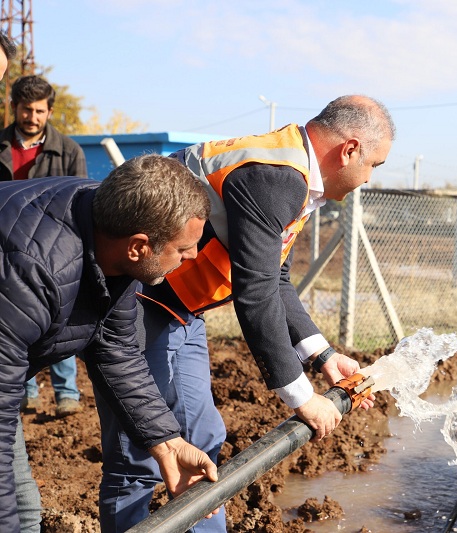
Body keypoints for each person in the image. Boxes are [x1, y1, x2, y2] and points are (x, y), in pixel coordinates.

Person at [95, 95, 395, 532]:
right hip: (137, 307)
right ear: (349, 150)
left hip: (182, 311)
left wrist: (325, 357)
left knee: (204, 438)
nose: (367, 179)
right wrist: (302, 397)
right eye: (374, 165)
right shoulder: (275, 177)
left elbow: (276, 279)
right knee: (138, 455)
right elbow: (254, 295)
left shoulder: (294, 175)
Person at [1, 154, 220, 533]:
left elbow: (115, 350)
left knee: (22, 513)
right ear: (139, 246)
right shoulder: (28, 274)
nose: (193, 257)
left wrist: (166, 442)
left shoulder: (111, 240)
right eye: (184, 247)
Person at [0, 74, 89, 417]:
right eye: (26, 109)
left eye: (39, 111)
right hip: (7, 249)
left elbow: (83, 200)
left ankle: (67, 393)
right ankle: (25, 391)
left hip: (55, 249)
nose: (32, 117)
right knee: (13, 320)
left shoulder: (68, 151)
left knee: (60, 320)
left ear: (49, 112)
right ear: (15, 108)